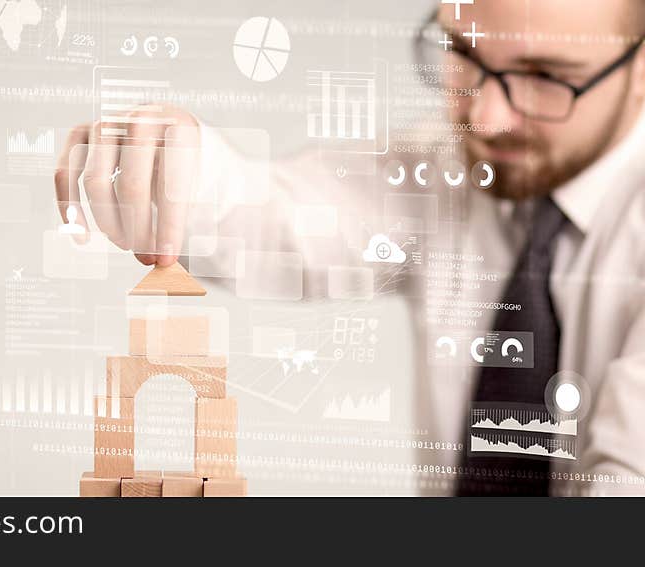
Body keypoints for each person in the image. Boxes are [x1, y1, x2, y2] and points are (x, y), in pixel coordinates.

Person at [55, 0, 645, 495]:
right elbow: (275, 220)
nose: (485, 119)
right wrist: (173, 161)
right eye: (463, 54)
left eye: (544, 77)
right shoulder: (446, 167)